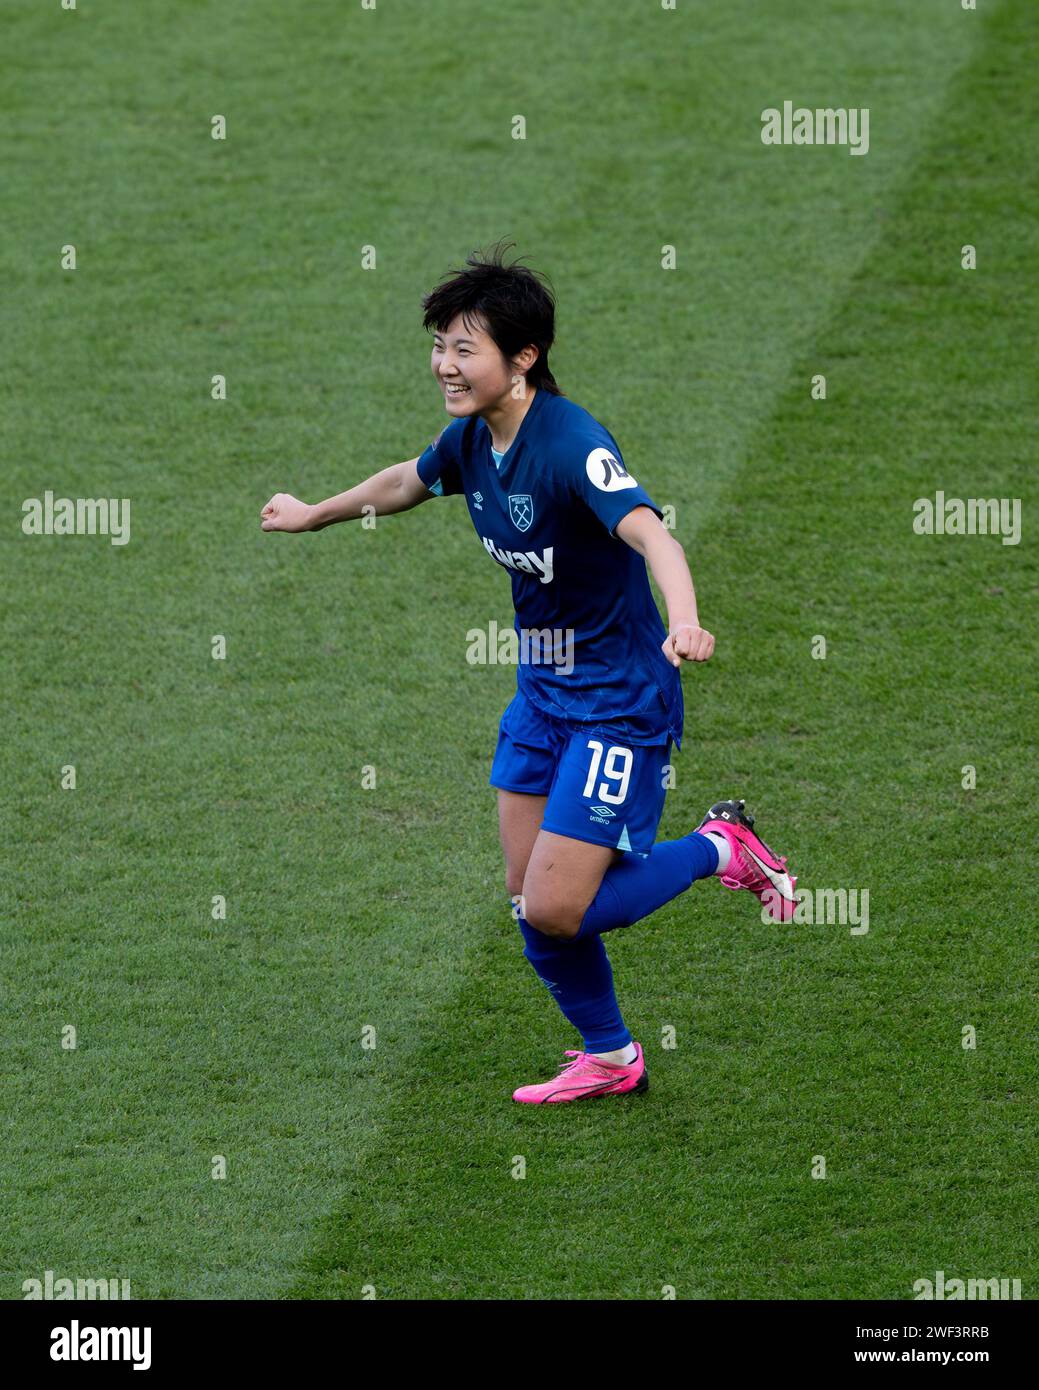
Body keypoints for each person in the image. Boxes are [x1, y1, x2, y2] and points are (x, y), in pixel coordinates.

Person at [261, 240, 797, 1105]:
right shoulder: (474, 436)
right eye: (439, 344)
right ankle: (612, 1057)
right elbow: (410, 478)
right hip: (542, 693)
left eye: (463, 347)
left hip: (618, 703)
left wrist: (688, 620)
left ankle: (716, 847)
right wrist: (313, 514)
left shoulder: (570, 443)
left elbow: (651, 533)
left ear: (523, 358)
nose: (443, 363)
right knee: (528, 899)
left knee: (555, 907)